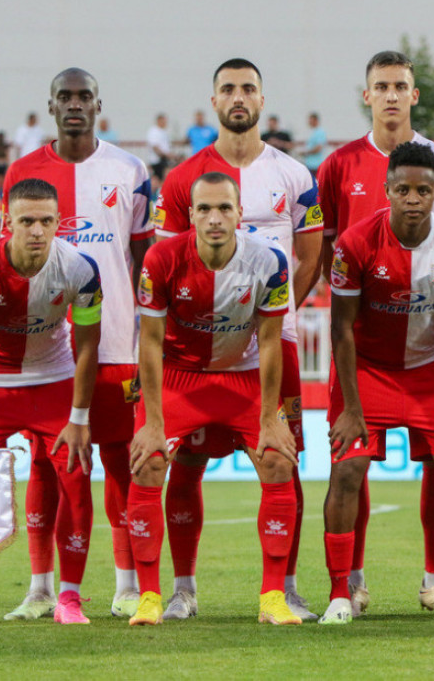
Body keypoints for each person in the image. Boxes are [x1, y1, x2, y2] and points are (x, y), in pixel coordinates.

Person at [153, 58, 322, 621]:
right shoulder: (182, 180)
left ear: (261, 98)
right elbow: (168, 262)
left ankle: (287, 585)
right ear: (214, 100)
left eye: (248, 87)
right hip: (195, 352)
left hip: (277, 341)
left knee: (284, 459)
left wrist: (273, 312)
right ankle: (181, 589)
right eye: (228, 88)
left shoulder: (294, 176)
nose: (239, 96)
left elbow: (311, 253)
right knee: (185, 465)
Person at [317, 50, 434, 616]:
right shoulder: (342, 175)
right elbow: (339, 318)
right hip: (367, 364)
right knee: (349, 465)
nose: (390, 94)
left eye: (400, 85)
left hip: (431, 364)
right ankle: (345, 589)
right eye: (380, 85)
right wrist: (349, 404)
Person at [1, 68, 154, 620]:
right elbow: (12, 262)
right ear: (50, 105)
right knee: (46, 466)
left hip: (114, 345)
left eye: (83, 96)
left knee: (120, 464)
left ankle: (127, 584)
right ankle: (41, 589)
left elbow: (142, 263)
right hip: (43, 353)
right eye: (64, 96)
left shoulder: (129, 170)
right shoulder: (22, 173)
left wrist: (144, 342)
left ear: (98, 104)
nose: (74, 104)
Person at [127, 171, 301, 626]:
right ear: (190, 216)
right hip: (177, 377)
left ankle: (273, 597)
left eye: (225, 207)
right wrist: (151, 422)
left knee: (278, 459)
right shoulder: (161, 259)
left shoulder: (270, 261)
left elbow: (269, 341)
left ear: (241, 213)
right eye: (204, 209)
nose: (215, 218)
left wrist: (270, 417)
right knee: (148, 462)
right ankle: (151, 596)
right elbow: (148, 342)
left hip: (240, 377)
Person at [0, 178, 101, 625]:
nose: (36, 230)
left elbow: (89, 344)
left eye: (46, 221)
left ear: (59, 224)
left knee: (75, 474)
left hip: (52, 378)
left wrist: (79, 416)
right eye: (26, 220)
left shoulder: (80, 270)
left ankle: (68, 598)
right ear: (5, 222)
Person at [147, 113, 173, 182]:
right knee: (159, 180)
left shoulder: (164, 132)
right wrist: (166, 155)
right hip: (157, 161)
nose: (165, 123)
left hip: (164, 160)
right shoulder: (154, 131)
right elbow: (155, 147)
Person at [302, 112, 328, 177]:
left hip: (315, 165)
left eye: (311, 120)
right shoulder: (314, 132)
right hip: (310, 164)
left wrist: (306, 152)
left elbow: (318, 148)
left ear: (316, 120)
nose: (309, 122)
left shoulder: (320, 132)